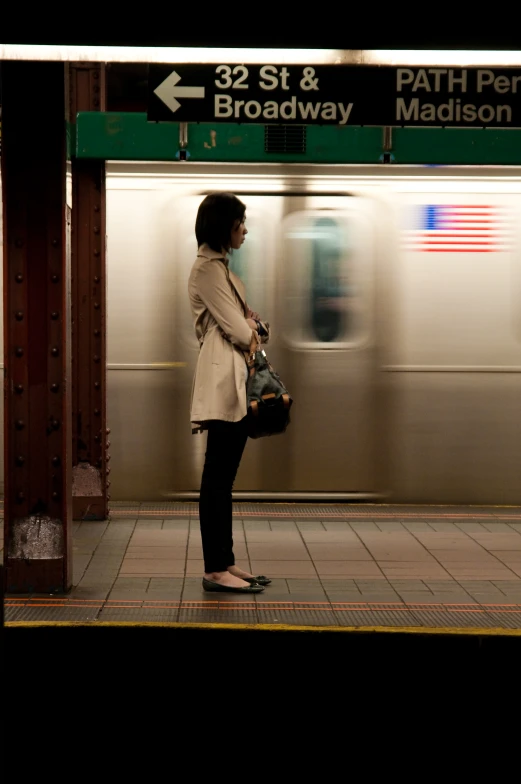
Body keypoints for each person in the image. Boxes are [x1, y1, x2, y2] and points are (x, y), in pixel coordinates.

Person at [188, 192, 272, 594]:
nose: (245, 229)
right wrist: (251, 327)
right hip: (223, 386)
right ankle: (213, 569)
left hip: (234, 384)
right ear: (224, 226)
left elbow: (254, 325)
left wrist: (251, 326)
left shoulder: (222, 271)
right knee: (217, 480)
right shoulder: (208, 270)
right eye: (240, 222)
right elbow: (243, 330)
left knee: (224, 479)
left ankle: (226, 561)